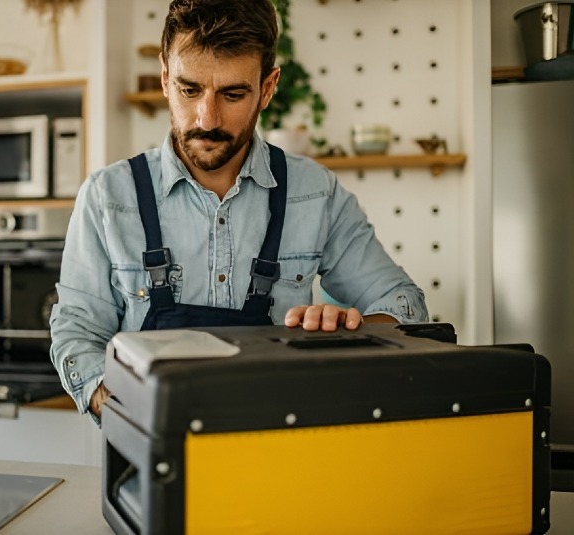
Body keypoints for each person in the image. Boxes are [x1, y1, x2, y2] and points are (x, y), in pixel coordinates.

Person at [50, 0, 428, 421]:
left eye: (232, 94)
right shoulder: (107, 197)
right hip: (146, 444)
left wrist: (349, 333)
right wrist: (135, 421)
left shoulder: (316, 194)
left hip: (277, 445)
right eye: (189, 90)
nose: (206, 118)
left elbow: (405, 307)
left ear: (267, 88)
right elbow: (77, 336)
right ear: (165, 78)